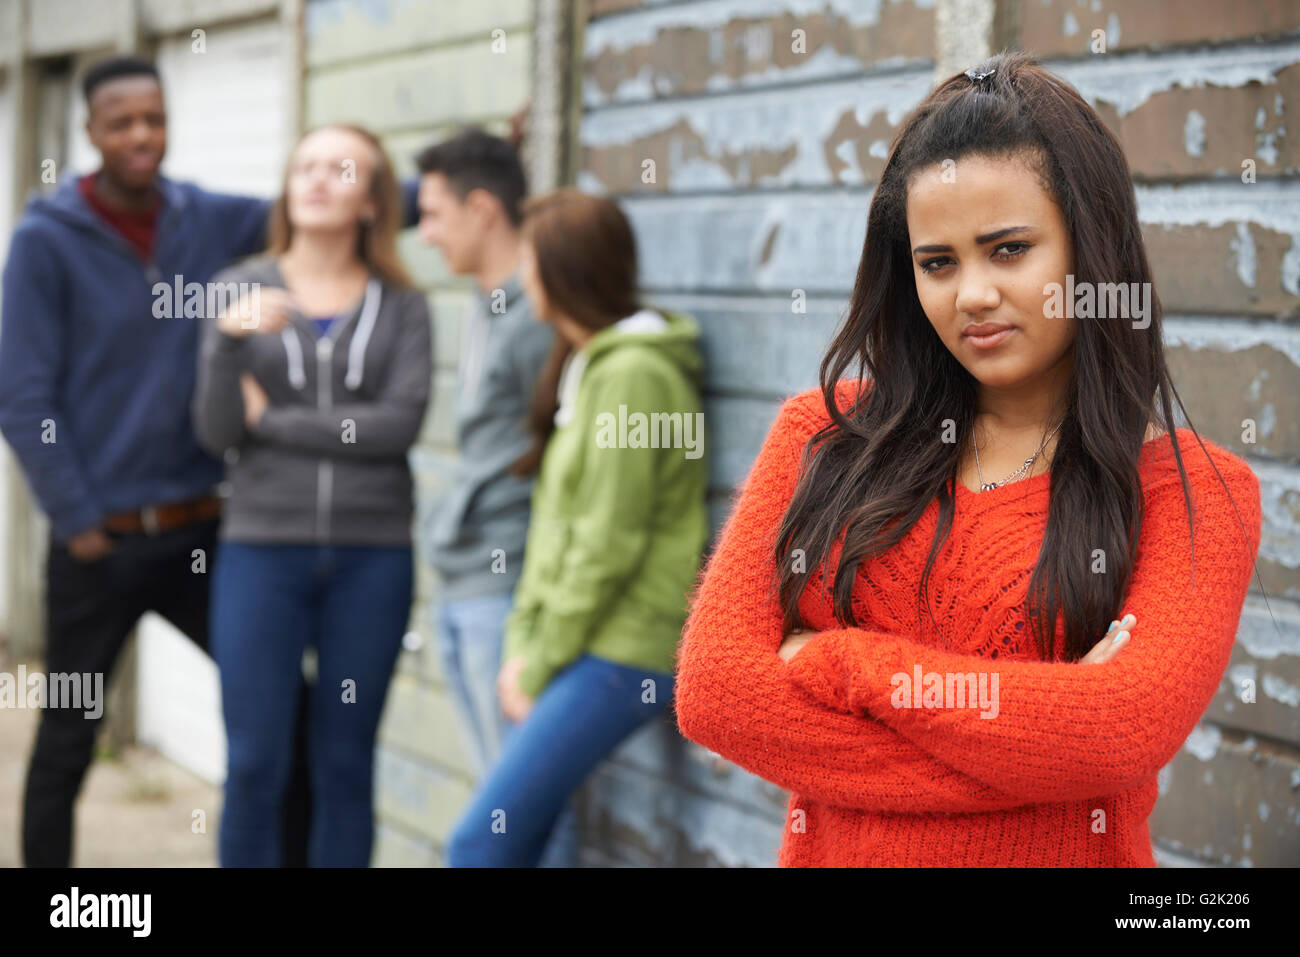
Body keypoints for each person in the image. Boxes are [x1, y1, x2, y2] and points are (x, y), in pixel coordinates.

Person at [673, 50, 1265, 867]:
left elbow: (1115, 731)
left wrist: (848, 664)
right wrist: (1039, 741)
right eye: (938, 263)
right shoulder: (825, 438)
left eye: (1009, 249)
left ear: (1090, 249)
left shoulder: (1193, 491)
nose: (971, 294)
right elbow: (718, 697)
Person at [0, 54, 323, 867]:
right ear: (91, 133)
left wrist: (443, 189)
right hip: (97, 545)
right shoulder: (45, 243)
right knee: (66, 741)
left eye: (155, 117)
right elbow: (22, 397)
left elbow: (321, 211)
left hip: (201, 534)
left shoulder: (206, 219)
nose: (142, 135)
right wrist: (77, 521)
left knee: (288, 708)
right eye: (122, 122)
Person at [445, 188, 709, 867]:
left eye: (530, 263)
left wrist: (542, 657)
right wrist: (525, 644)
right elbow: (556, 530)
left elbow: (606, 541)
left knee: (480, 841)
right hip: (584, 640)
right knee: (528, 833)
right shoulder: (590, 365)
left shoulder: (636, 377)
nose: (523, 278)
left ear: (561, 273)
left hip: (626, 646)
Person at [192, 123, 432, 867]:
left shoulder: (402, 304)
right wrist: (225, 345)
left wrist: (281, 420)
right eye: (305, 167)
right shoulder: (237, 288)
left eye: (341, 168)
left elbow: (397, 426)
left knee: (344, 765)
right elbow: (217, 431)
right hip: (263, 550)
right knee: (257, 760)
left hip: (373, 556)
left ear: (371, 199)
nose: (318, 180)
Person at [413, 127, 571, 861]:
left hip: (505, 587)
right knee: (499, 797)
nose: (423, 231)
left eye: (434, 212)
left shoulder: (538, 317)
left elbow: (562, 463)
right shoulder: (486, 304)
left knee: (522, 812)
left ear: (482, 209)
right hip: (460, 577)